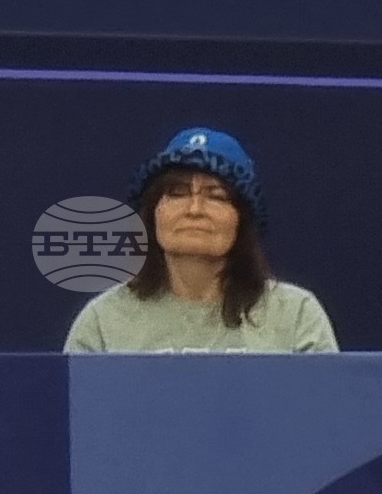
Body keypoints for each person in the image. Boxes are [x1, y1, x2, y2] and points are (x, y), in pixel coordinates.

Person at [63, 127, 339, 355]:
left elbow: (326, 404)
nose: (194, 209)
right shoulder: (103, 321)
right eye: (178, 192)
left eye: (216, 195)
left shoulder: (295, 315)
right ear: (153, 213)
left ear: (242, 219)